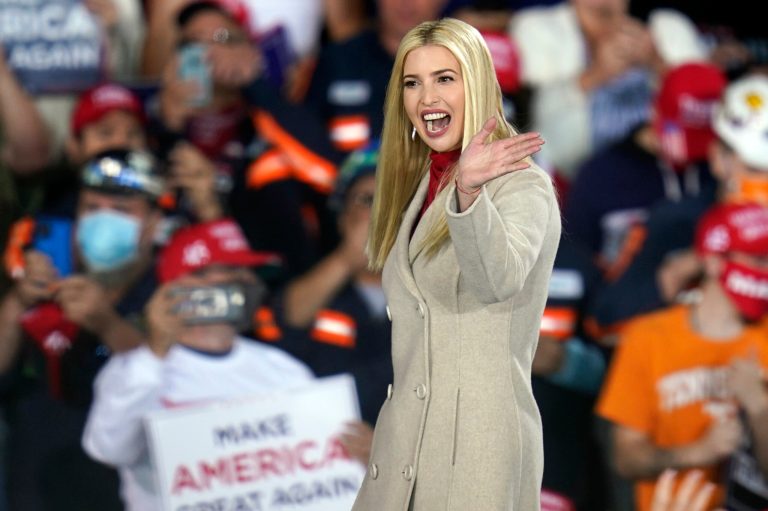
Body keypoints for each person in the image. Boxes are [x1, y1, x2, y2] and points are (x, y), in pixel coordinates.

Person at [352, 18, 560, 510]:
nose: (427, 97)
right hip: (407, 446)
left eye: (445, 78)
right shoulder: (418, 184)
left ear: (479, 84)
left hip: (474, 455)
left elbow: (497, 280)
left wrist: (468, 195)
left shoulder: (521, 186)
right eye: (412, 82)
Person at [82, 218, 314, 511]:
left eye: (244, 273)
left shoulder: (284, 370)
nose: (244, 282)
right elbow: (109, 450)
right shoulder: (136, 369)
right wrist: (154, 353)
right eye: (227, 271)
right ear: (179, 286)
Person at [0, 149, 165, 511]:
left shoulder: (170, 293)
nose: (104, 221)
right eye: (92, 208)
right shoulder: (44, 283)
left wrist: (108, 326)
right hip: (38, 490)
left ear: (153, 222)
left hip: (131, 493)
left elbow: (178, 387)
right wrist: (17, 303)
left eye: (122, 211)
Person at [595, 201, 768, 511]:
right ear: (714, 262)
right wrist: (698, 451)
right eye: (759, 259)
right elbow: (624, 457)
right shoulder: (648, 338)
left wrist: (758, 407)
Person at [588, 73, 768, 337]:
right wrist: (690, 264)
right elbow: (601, 322)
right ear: (718, 158)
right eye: (755, 169)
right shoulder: (672, 222)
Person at [254, 141, 391, 463]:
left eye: (395, 201)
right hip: (319, 471)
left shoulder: (441, 295)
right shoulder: (315, 286)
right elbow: (282, 320)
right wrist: (349, 257)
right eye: (368, 200)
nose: (381, 213)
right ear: (342, 218)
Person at [509, 0, 708, 179]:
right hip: (575, 177)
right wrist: (598, 73)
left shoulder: (667, 28)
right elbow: (542, 125)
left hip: (662, 173)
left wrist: (656, 63)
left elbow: (703, 105)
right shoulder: (536, 27)